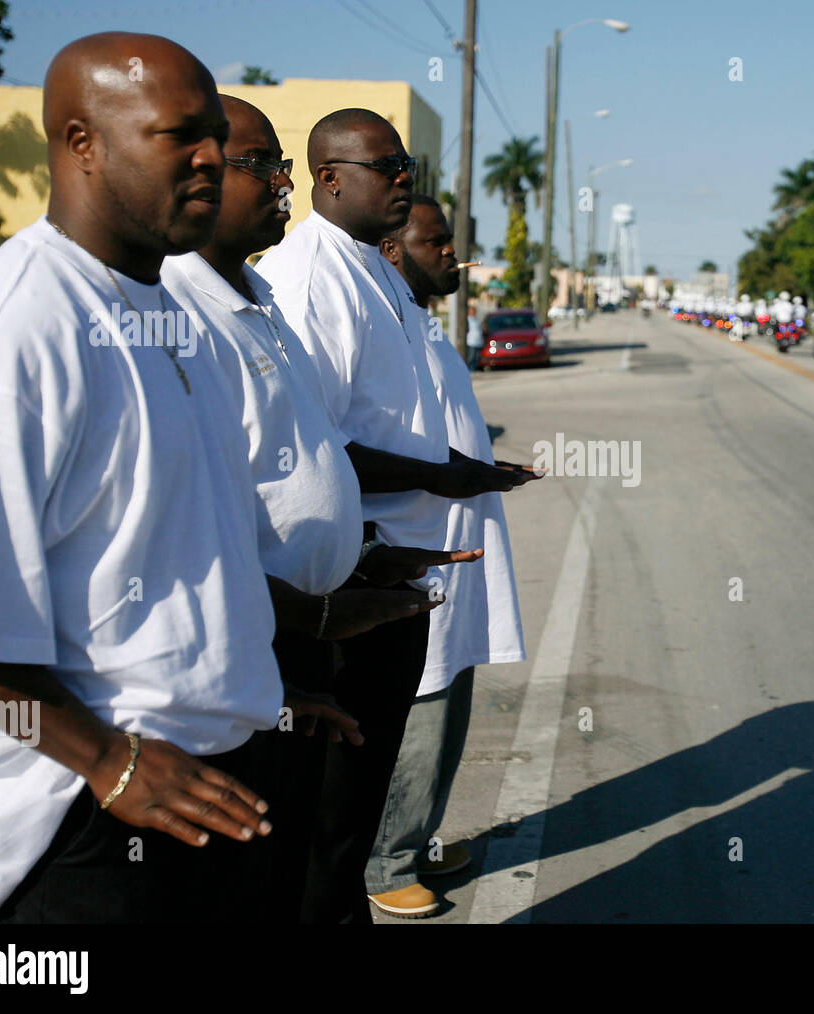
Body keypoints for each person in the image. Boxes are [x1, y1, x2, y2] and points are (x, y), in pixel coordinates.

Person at [0, 32, 304, 925]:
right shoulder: (11, 329)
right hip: (84, 822)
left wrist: (260, 682)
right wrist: (110, 762)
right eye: (181, 135)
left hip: (214, 785)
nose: (215, 157)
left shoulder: (172, 312)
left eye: (217, 133)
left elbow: (184, 545)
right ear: (79, 143)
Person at [161, 97, 478, 919]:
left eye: (283, 165)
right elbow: (175, 524)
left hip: (325, 613)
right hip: (266, 642)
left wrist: (363, 557)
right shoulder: (175, 312)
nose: (283, 182)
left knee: (329, 843)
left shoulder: (262, 293)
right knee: (288, 863)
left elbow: (302, 457)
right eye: (262, 164)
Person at [256, 107, 533, 924]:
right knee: (331, 816)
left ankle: (372, 875)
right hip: (351, 570)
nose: (406, 177)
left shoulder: (371, 269)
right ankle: (375, 874)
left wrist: (464, 471)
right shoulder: (311, 278)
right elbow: (321, 443)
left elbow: (390, 414)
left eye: (406, 163)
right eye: (389, 165)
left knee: (356, 799)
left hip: (397, 563)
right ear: (329, 179)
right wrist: (443, 478)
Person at [369, 194, 537, 916]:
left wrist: (484, 470)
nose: (454, 255)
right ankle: (386, 865)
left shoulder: (423, 326)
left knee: (450, 708)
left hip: (459, 545)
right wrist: (449, 476)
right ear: (392, 250)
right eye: (436, 243)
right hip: (415, 550)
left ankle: (422, 838)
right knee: (420, 715)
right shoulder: (377, 325)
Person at [466, 303, 484, 370]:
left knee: (476, 359)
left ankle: (474, 370)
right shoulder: (468, 319)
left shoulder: (476, 320)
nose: (474, 312)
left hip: (478, 342)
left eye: (475, 310)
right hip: (471, 342)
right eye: (473, 310)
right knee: (471, 358)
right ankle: (470, 370)